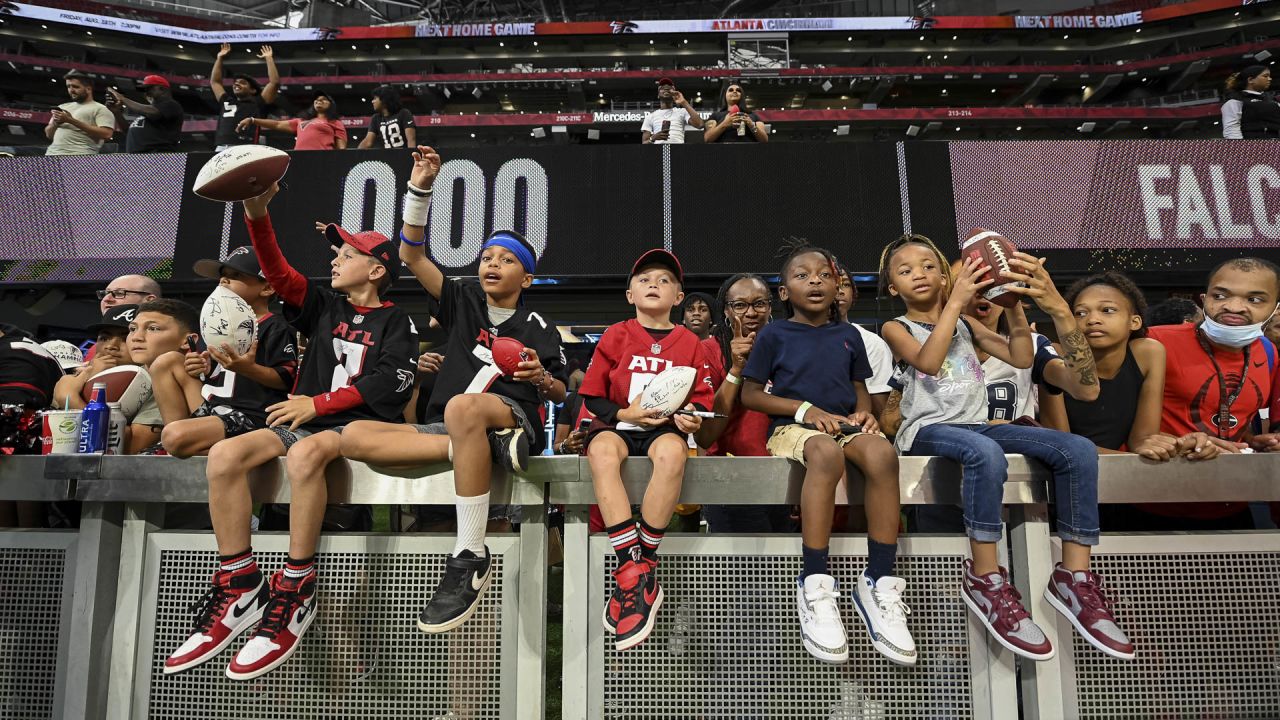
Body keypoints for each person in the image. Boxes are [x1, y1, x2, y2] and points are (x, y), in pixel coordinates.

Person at [163, 181, 416, 680]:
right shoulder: (321, 306)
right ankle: (239, 578)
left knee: (303, 456)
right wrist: (257, 211)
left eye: (348, 254)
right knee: (224, 456)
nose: (337, 261)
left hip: (355, 429)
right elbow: (275, 269)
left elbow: (393, 380)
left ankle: (297, 582)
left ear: (377, 269)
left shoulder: (398, 321)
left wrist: (316, 401)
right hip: (307, 421)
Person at [341, 145, 568, 634]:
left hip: (510, 414)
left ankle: (469, 551)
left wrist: (540, 378)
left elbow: (560, 392)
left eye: (506, 259)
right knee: (354, 436)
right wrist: (420, 187)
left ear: (526, 276)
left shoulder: (539, 323)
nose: (491, 264)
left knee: (467, 407)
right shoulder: (462, 296)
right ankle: (475, 452)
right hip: (448, 425)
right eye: (486, 256)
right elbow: (411, 254)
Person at [878, 233, 1133, 662]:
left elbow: (1019, 356)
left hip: (977, 424)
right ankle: (985, 576)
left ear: (942, 275)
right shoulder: (896, 326)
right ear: (891, 288)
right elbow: (928, 361)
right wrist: (955, 301)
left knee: (1077, 450)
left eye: (927, 266)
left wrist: (1014, 307)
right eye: (905, 271)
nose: (918, 274)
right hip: (928, 428)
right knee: (986, 453)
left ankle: (1073, 575)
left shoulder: (965, 323)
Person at [738, 243, 912, 666]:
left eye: (823, 274)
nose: (814, 280)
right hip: (794, 430)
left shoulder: (849, 336)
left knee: (883, 455)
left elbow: (859, 395)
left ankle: (879, 579)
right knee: (825, 454)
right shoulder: (774, 335)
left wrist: (864, 416)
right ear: (783, 292)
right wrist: (804, 410)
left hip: (842, 426)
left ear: (837, 286)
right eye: (802, 275)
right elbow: (751, 395)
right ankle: (814, 580)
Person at [580, 248, 710, 652]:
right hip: (618, 425)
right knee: (601, 452)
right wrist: (626, 413)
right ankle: (632, 565)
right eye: (645, 279)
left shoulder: (690, 342)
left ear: (678, 297)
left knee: (673, 453)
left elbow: (701, 401)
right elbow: (593, 396)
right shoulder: (616, 335)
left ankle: (642, 563)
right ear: (629, 294)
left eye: (665, 280)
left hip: (663, 431)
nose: (654, 284)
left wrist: (692, 417)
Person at [1138, 258, 1280, 529]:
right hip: (1150, 501)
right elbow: (1112, 419)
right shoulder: (1155, 341)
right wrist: (1180, 442)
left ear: (1274, 309)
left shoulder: (1268, 352)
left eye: (1255, 299)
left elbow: (1232, 415)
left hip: (1231, 504)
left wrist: (1254, 440)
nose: (1234, 306)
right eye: (1220, 295)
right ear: (1204, 298)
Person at [157, 247, 298, 458]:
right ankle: (182, 446)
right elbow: (218, 377)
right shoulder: (215, 323)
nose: (224, 281)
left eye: (236, 276)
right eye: (222, 276)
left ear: (267, 288)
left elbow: (287, 379)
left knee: (174, 436)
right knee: (166, 361)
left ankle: (194, 446)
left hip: (251, 415)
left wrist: (249, 369)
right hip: (216, 407)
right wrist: (202, 368)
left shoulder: (276, 326)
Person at [1039, 273, 1175, 459]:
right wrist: (1130, 462)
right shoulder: (1054, 355)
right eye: (1080, 313)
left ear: (1134, 322)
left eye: (1107, 310)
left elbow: (1142, 439)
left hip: (1114, 468)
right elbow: (1062, 446)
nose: (1093, 319)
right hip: (1065, 468)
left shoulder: (1149, 353)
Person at [695, 274, 791, 533]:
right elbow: (706, 434)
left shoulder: (787, 345)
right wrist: (736, 369)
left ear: (770, 307)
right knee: (742, 571)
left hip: (787, 474)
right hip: (732, 478)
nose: (751, 312)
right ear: (726, 310)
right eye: (740, 305)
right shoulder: (709, 350)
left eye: (759, 303)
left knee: (786, 569)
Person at [125, 299, 202, 454]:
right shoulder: (129, 373)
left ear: (188, 341)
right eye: (132, 329)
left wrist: (72, 397)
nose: (136, 337)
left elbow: (132, 447)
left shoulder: (171, 371)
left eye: (153, 328)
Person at [54, 305, 136, 410]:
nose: (111, 346)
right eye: (104, 338)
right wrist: (88, 377)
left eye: (125, 339)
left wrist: (68, 398)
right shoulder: (74, 378)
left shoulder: (155, 380)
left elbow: (136, 427)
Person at [210, 43, 280, 151]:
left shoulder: (258, 102)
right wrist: (219, 58)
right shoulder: (226, 101)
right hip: (220, 147)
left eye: (242, 83)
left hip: (246, 148)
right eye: (235, 83)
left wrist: (269, 58)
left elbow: (274, 83)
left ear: (253, 90)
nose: (236, 84)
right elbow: (215, 82)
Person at [240, 91, 346, 151]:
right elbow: (277, 124)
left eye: (323, 99)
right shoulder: (301, 121)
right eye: (317, 99)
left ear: (331, 104)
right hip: (299, 157)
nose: (319, 100)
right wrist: (253, 120)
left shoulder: (336, 123)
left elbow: (341, 149)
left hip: (322, 158)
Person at [45, 70, 116, 156]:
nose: (71, 90)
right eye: (68, 86)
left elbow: (107, 134)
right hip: (51, 155)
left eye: (75, 87)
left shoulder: (101, 109)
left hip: (80, 157)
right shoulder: (63, 107)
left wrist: (70, 120)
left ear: (88, 89)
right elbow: (49, 135)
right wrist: (56, 123)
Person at [106, 75, 184, 153]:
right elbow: (128, 131)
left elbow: (154, 112)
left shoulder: (171, 105)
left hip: (159, 156)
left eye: (149, 89)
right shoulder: (147, 112)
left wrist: (122, 99)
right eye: (144, 90)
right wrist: (117, 113)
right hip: (138, 157)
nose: (146, 93)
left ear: (162, 89)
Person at [641, 78, 703, 145]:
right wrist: (653, 138)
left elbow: (700, 124)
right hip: (659, 152)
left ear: (674, 94)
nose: (666, 89)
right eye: (662, 88)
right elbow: (644, 143)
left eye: (670, 88)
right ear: (658, 95)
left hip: (679, 151)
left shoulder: (682, 111)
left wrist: (683, 102)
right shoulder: (650, 116)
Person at [1221, 65, 1277, 139]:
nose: (1270, 79)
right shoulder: (1235, 101)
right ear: (1250, 80)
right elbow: (1232, 131)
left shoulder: (1272, 100)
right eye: (1265, 76)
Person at [703, 82, 768, 144]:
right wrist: (724, 123)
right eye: (731, 90)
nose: (735, 91)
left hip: (748, 151)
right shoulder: (715, 116)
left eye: (738, 90)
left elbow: (764, 140)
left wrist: (751, 125)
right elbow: (707, 139)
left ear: (742, 95)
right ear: (725, 95)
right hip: (722, 151)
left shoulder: (753, 116)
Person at [358, 85, 416, 150]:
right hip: (387, 158)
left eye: (375, 98)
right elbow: (368, 142)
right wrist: (355, 155)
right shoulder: (376, 118)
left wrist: (411, 158)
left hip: (403, 156)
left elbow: (411, 140)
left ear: (384, 100)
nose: (372, 101)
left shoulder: (404, 113)